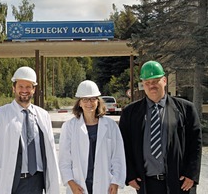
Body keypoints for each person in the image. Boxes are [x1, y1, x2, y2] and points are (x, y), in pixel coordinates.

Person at [119, 60, 202, 194]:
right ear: (143, 85)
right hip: (146, 183)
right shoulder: (130, 113)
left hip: (179, 183)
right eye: (147, 83)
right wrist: (130, 175)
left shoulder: (186, 109)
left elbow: (195, 145)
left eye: (155, 81)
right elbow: (124, 145)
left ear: (164, 80)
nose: (152, 86)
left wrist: (191, 174)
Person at [0, 66, 60, 194]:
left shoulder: (43, 115)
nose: (24, 90)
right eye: (21, 86)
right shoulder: (0, 115)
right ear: (14, 88)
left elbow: (50, 151)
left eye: (28, 87)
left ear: (34, 90)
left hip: (37, 181)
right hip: (12, 181)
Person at [59, 80, 126, 194]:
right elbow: (64, 160)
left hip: (104, 185)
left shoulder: (111, 126)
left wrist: (115, 183)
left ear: (98, 101)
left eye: (92, 99)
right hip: (78, 185)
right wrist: (72, 184)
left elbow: (118, 157)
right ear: (79, 103)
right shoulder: (69, 127)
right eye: (85, 99)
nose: (89, 103)